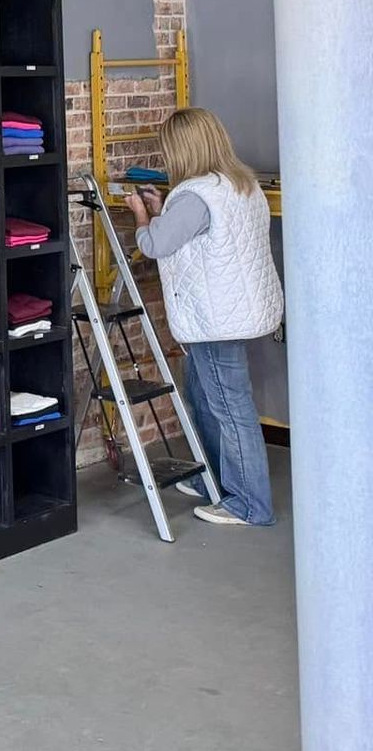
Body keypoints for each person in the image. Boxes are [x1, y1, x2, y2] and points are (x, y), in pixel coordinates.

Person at [126, 108, 283, 526]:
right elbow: (194, 233)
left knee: (229, 407)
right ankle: (213, 479)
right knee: (202, 396)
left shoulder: (196, 195)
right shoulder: (238, 183)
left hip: (216, 320)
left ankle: (249, 504)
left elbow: (156, 244)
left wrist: (141, 214)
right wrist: (164, 208)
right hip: (235, 311)